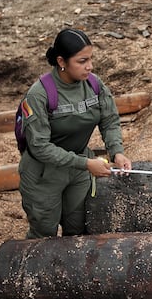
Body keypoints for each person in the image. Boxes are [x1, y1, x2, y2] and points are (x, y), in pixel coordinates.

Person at [16, 28, 131, 238]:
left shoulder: (94, 85)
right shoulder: (39, 95)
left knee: (77, 229)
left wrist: (116, 152)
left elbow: (110, 120)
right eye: (82, 61)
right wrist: (86, 164)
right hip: (44, 173)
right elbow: (40, 147)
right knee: (44, 233)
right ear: (62, 61)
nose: (90, 66)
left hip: (78, 170)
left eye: (91, 59)